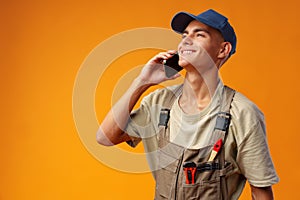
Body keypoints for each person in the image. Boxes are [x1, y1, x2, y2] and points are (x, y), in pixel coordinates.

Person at [96, 9, 279, 199]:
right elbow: (105, 137)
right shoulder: (158, 102)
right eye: (184, 35)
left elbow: (260, 190)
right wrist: (142, 81)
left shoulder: (242, 113)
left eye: (199, 34)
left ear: (223, 50)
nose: (186, 40)